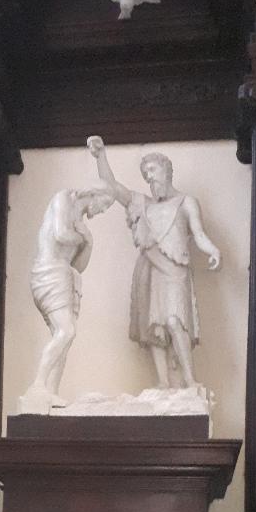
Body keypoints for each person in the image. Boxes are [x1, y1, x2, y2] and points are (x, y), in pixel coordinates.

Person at [87, 135, 221, 389]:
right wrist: (101, 155)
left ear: (167, 170)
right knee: (153, 326)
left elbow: (199, 233)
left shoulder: (186, 202)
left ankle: (190, 381)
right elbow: (113, 187)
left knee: (174, 321)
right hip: (149, 268)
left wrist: (212, 250)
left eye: (152, 169)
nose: (148, 176)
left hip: (175, 269)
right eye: (145, 172)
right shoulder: (142, 204)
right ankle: (162, 382)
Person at [22, 187, 113, 411]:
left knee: (64, 336)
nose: (101, 211)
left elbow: (78, 267)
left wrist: (89, 242)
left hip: (65, 274)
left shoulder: (81, 223)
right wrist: (82, 237)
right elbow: (61, 234)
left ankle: (50, 392)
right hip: (49, 272)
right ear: (94, 194)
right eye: (104, 204)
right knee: (66, 331)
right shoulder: (64, 199)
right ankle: (38, 386)